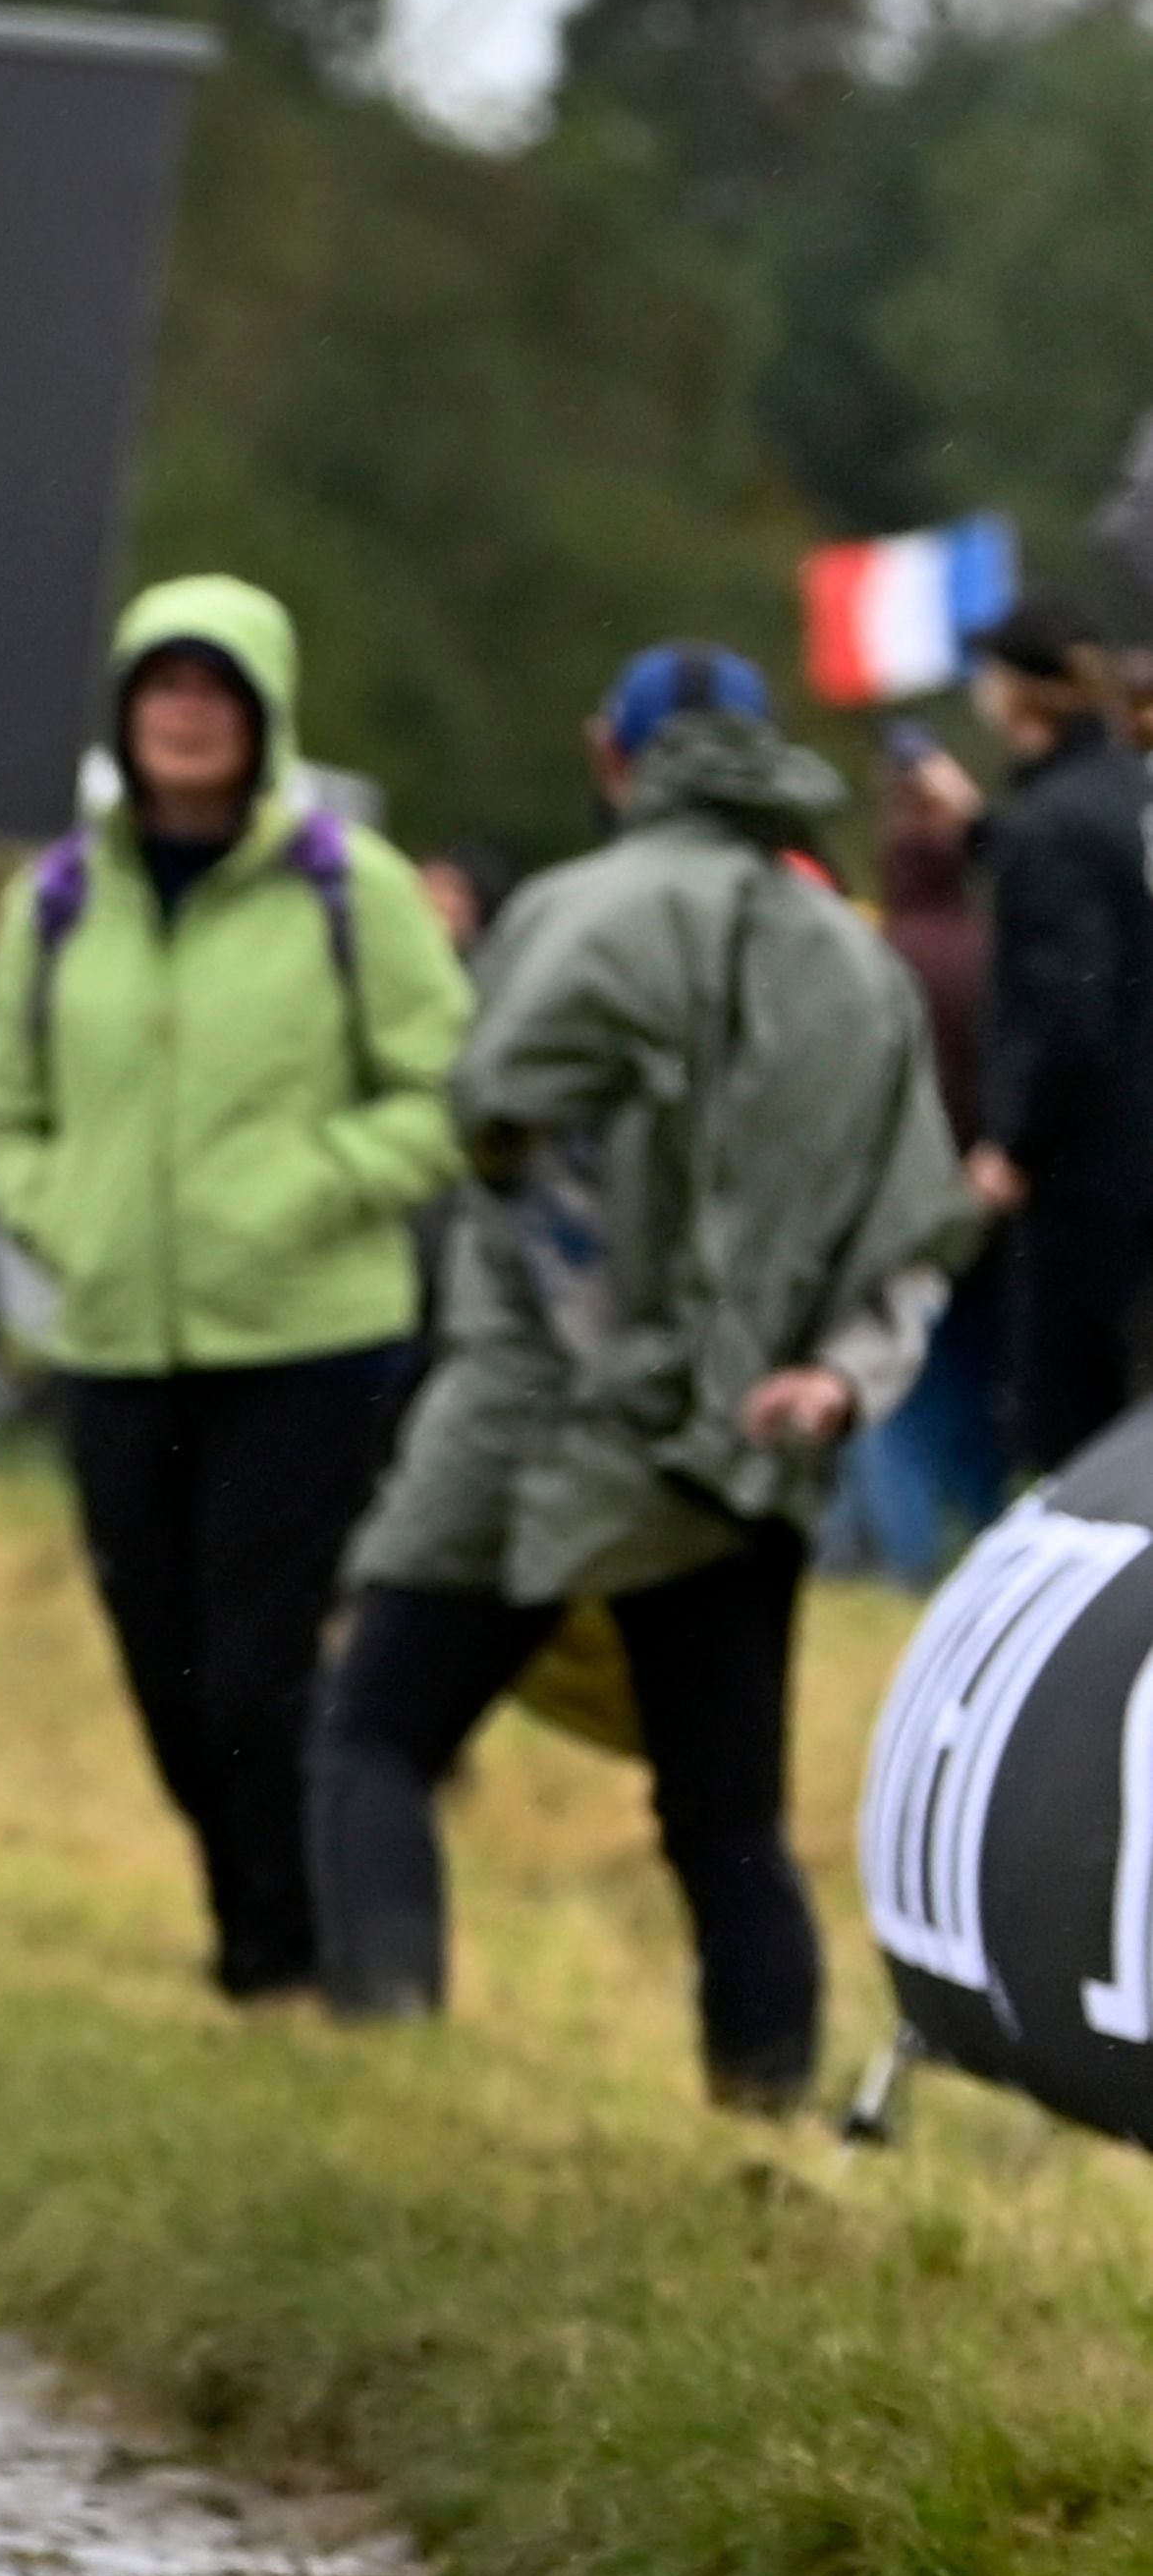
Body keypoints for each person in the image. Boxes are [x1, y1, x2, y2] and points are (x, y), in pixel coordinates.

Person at [310, 660, 969, 2112]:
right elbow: (909, 1225)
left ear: (609, 756)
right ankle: (766, 2131)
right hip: (741, 1446)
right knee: (724, 1823)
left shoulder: (569, 911)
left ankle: (383, 2084)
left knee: (371, 1734)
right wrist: (828, 1384)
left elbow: (491, 1126)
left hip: (529, 1420)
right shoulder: (853, 960)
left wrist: (597, 1353)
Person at [0, 576, 471, 2001]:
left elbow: (441, 1092)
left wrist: (309, 1185)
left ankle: (278, 1957)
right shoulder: (57, 898)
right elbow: (2, 1111)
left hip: (309, 1342)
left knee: (257, 1672)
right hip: (119, 1341)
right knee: (163, 1673)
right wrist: (65, 1216)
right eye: (159, 686)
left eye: (213, 687)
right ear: (124, 712)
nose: (184, 713)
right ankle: (253, 1920)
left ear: (263, 713)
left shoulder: (345, 888)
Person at [957, 593, 1153, 1477]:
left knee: (1075, 1432)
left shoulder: (1054, 825)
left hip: (1089, 1175)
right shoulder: (1126, 795)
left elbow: (1064, 1004)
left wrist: (1011, 1139)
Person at [841, 724, 1006, 1577]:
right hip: (995, 1200)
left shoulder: (870, 958)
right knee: (980, 1399)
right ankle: (989, 1554)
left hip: (903, 1210)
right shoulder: (991, 950)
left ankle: (909, 1570)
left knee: (900, 1396)